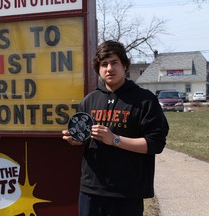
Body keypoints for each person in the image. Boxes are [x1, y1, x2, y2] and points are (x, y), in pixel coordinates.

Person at [62, 40, 169, 216]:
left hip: (127, 193)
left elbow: (156, 143)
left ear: (125, 65)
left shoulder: (144, 100)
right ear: (98, 69)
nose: (109, 68)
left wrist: (115, 140)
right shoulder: (89, 100)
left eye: (114, 63)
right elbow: (86, 140)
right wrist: (76, 140)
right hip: (91, 190)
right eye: (104, 64)